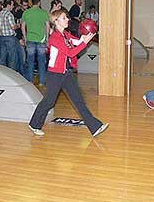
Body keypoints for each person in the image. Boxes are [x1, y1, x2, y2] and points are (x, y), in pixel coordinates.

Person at [28, 9, 109, 137]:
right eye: (64, 18)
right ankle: (34, 124)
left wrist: (86, 36)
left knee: (78, 101)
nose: (67, 20)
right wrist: (84, 42)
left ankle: (95, 127)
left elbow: (76, 42)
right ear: (56, 21)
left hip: (66, 74)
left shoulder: (65, 34)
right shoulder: (55, 37)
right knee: (49, 102)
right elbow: (70, 52)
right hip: (55, 75)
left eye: (67, 17)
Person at [21, 0, 50, 84]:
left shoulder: (26, 12)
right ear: (39, 3)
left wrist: (25, 38)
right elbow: (47, 26)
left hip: (30, 39)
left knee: (30, 61)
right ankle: (41, 81)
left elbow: (22, 26)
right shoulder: (44, 13)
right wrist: (47, 39)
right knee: (41, 61)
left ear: (31, 3)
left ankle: (30, 81)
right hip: (41, 40)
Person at [0, 0, 21, 72]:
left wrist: (0, 32)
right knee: (12, 58)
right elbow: (13, 27)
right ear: (8, 5)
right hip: (10, 38)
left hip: (1, 37)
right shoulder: (9, 14)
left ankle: (1, 73)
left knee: (2, 58)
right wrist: (18, 25)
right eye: (12, 5)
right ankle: (12, 74)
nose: (13, 7)